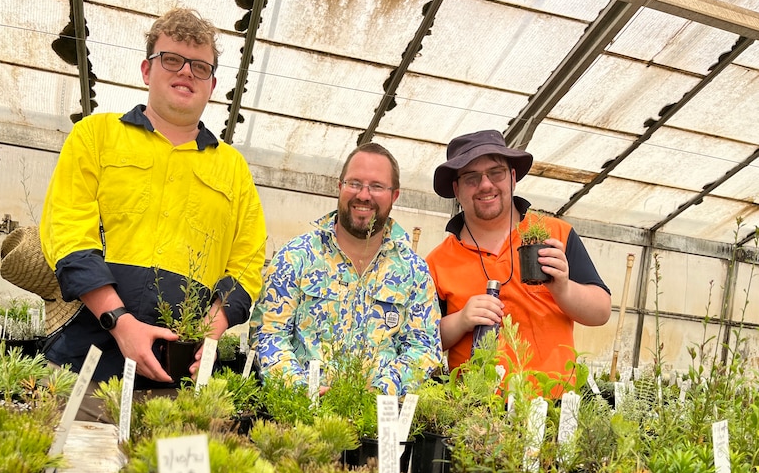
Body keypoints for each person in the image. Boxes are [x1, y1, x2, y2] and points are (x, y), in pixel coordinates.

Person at [39, 8, 267, 399]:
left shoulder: (233, 169)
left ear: (212, 84)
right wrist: (121, 322)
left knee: (173, 460)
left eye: (200, 67)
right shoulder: (95, 136)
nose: (185, 73)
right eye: (172, 60)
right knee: (68, 457)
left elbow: (248, 260)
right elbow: (67, 230)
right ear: (147, 70)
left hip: (179, 378)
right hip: (85, 361)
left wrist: (211, 328)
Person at [250, 143, 442, 396]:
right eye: (354, 183)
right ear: (339, 186)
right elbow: (268, 333)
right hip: (299, 416)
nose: (364, 195)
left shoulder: (413, 271)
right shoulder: (297, 256)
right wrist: (299, 387)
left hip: (377, 422)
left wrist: (381, 391)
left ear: (394, 195)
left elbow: (424, 346)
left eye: (377, 186)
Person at [426, 130, 611, 387]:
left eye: (496, 172)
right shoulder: (438, 262)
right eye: (471, 178)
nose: (486, 185)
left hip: (552, 407)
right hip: (475, 410)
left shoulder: (555, 235)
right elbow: (422, 339)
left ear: (512, 178)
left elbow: (601, 312)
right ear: (456, 189)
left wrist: (563, 289)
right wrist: (461, 320)